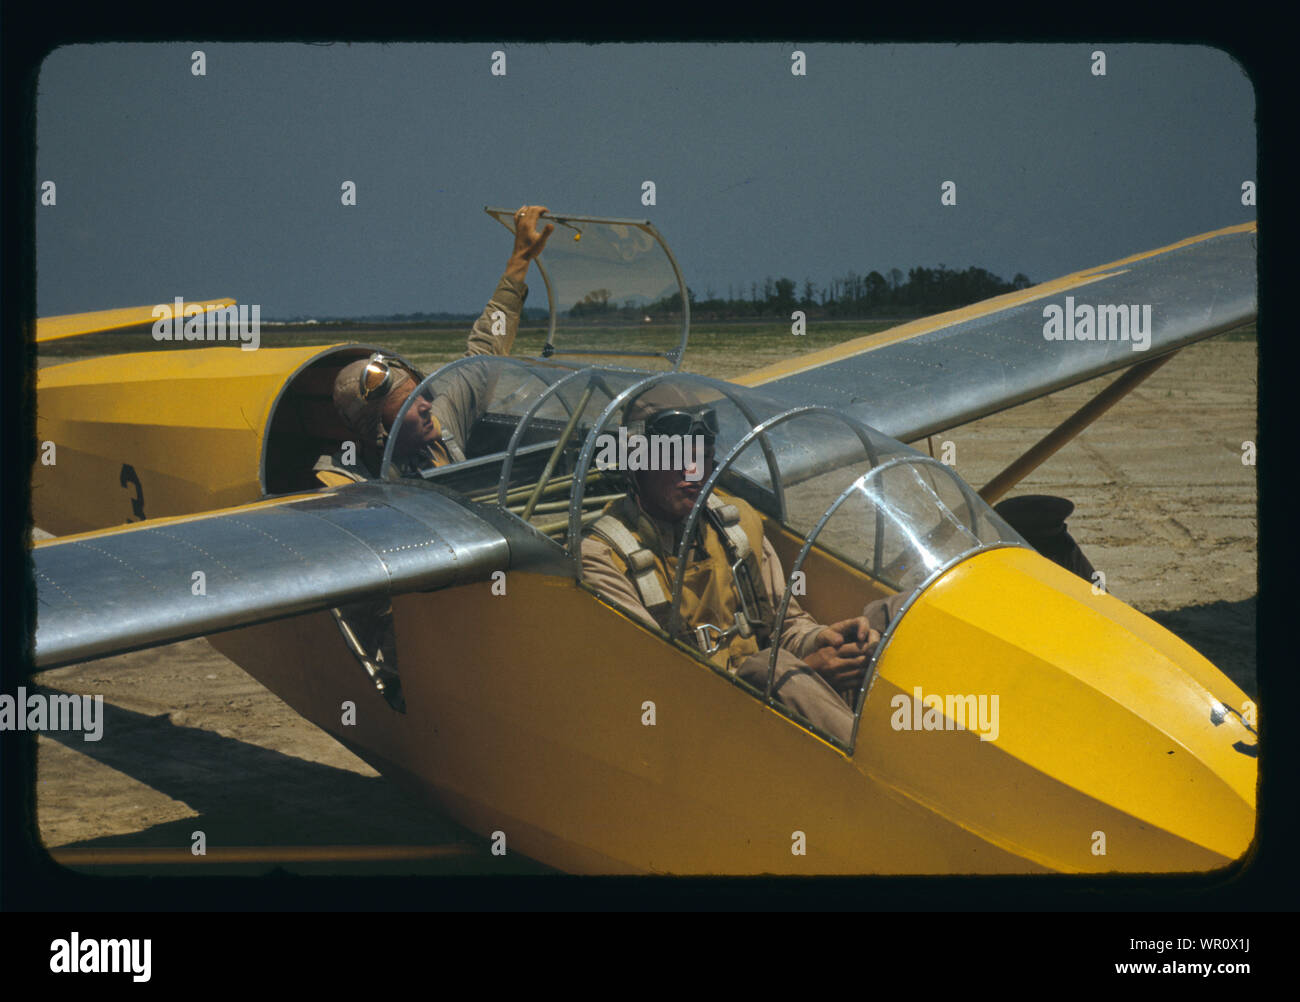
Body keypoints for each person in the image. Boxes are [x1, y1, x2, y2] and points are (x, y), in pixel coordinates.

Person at [580, 384, 904, 747]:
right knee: (768, 669)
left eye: (702, 456)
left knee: (894, 614)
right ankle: (890, 767)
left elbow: (785, 627)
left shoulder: (737, 524)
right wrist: (807, 671)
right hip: (700, 732)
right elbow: (661, 688)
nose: (693, 471)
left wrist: (823, 640)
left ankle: (927, 744)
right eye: (674, 456)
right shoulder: (602, 558)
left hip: (781, 695)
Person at [315, 204, 554, 485]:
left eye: (420, 393)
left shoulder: (440, 426)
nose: (427, 405)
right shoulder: (343, 482)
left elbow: (485, 356)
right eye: (407, 403)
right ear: (377, 428)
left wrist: (520, 259)